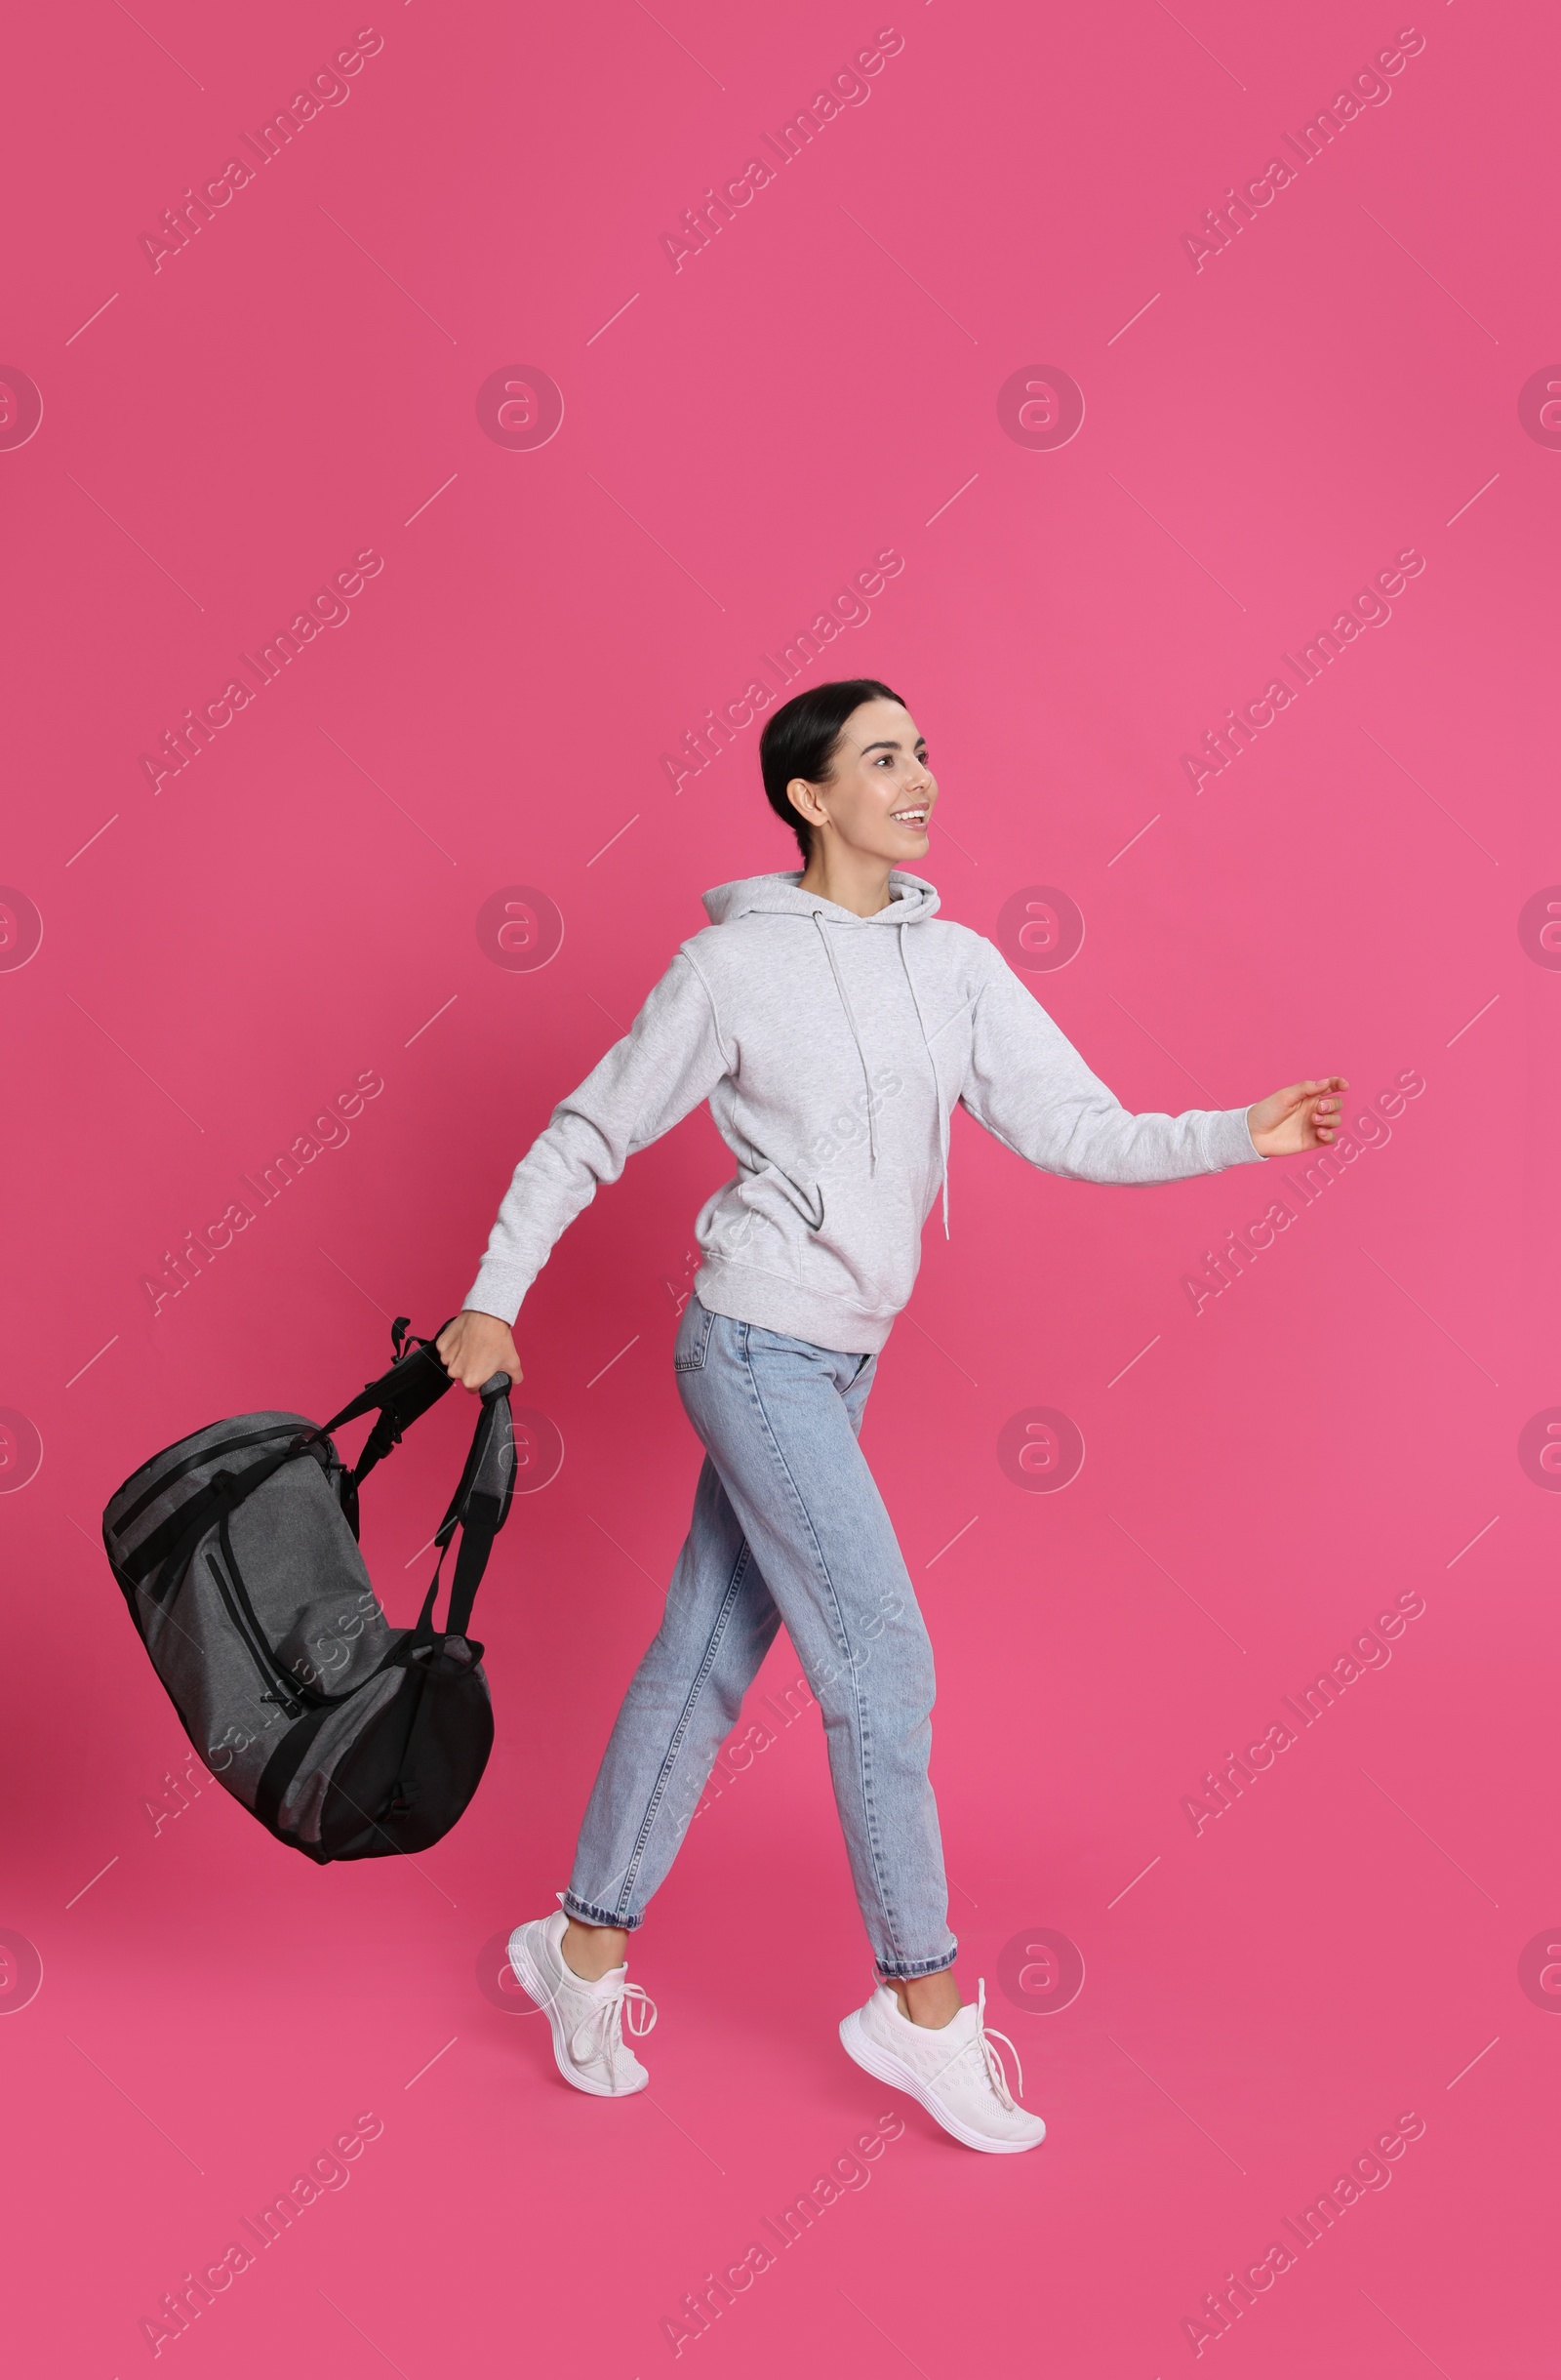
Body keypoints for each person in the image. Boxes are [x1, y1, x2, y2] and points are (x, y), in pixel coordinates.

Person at [437, 677, 1345, 2154]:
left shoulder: (961, 964)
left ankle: (581, 1948)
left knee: (702, 1658)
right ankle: (919, 2009)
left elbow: (1073, 1129)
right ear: (807, 796)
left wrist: (1242, 1132)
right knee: (885, 1663)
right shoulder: (729, 970)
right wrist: (495, 1298)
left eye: (922, 751)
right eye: (881, 758)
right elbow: (587, 1130)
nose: (918, 776)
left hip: (841, 1365)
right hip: (751, 1348)